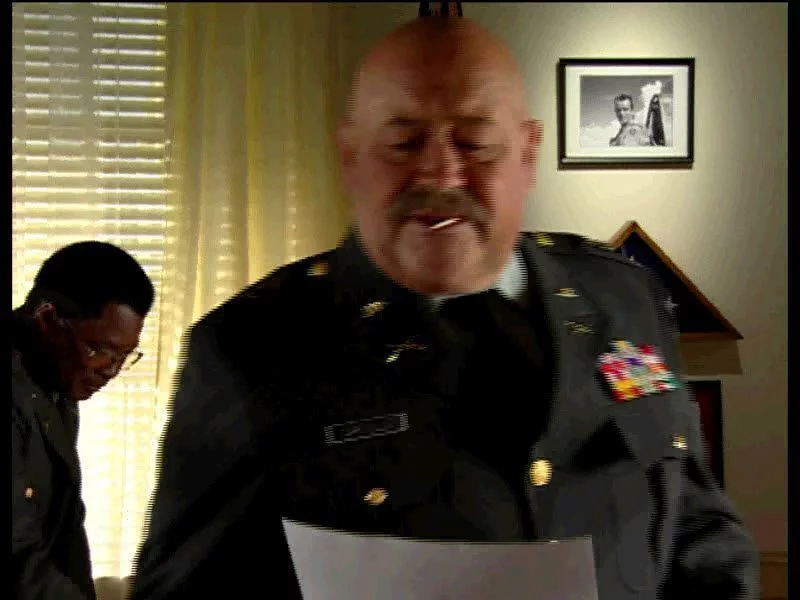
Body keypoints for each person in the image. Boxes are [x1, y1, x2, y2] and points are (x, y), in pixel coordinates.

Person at [130, 17, 759, 600]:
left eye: (475, 142)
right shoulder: (252, 345)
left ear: (528, 154)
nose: (439, 174)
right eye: (403, 143)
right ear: (351, 156)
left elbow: (697, 531)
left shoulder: (623, 299)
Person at [12, 241, 155, 600]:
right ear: (47, 320)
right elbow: (17, 559)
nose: (110, 370)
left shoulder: (58, 376)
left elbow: (66, 528)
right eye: (99, 350)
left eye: (124, 356)